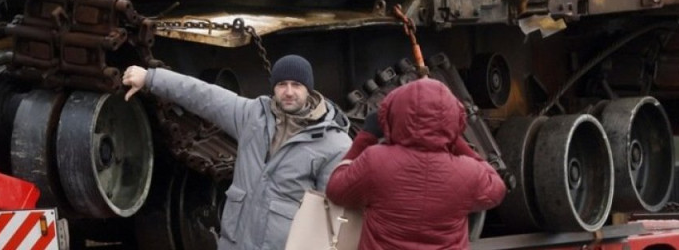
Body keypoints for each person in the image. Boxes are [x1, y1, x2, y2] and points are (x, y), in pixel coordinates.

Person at [123, 55, 352, 250]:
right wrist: (151, 78)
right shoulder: (253, 116)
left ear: (309, 89)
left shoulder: (333, 144)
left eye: (296, 85)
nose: (289, 92)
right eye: (282, 84)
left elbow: (331, 218)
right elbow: (204, 96)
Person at [326, 78, 506, 250]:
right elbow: (497, 188)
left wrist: (365, 137)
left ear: (393, 113)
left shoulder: (375, 161)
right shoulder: (468, 172)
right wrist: (455, 140)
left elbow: (336, 190)